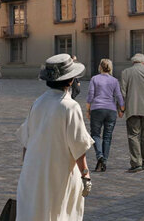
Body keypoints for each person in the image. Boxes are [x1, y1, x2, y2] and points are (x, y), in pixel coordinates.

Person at [16, 54, 93, 221]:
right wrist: (85, 175)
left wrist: (26, 168)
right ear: (71, 80)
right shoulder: (70, 106)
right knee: (60, 213)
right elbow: (78, 146)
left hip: (34, 172)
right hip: (59, 173)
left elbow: (26, 141)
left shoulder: (38, 102)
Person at [86, 57, 124, 172]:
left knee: (95, 135)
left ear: (100, 67)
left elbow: (90, 95)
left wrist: (88, 110)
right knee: (107, 137)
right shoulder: (114, 80)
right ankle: (104, 161)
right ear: (110, 68)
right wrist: (121, 109)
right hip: (111, 111)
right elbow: (119, 96)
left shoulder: (94, 79)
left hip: (97, 109)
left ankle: (100, 156)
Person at [121, 52, 144, 173]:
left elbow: (123, 92)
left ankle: (136, 163)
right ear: (143, 62)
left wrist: (121, 109)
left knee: (133, 136)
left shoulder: (126, 72)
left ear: (133, 61)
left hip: (132, 109)